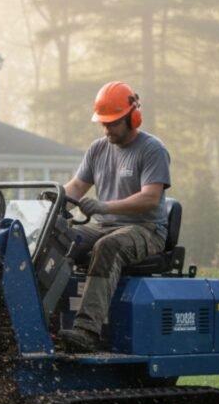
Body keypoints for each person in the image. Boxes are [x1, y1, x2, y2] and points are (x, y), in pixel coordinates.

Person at [59, 81, 172, 353]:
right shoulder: (98, 149)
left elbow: (150, 197)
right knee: (60, 237)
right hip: (105, 225)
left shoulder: (152, 149)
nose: (107, 129)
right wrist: (53, 200)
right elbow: (76, 187)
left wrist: (104, 207)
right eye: (103, 124)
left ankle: (86, 332)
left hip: (147, 230)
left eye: (112, 124)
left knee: (107, 247)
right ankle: (45, 321)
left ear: (133, 118)